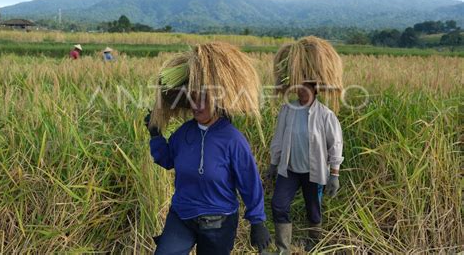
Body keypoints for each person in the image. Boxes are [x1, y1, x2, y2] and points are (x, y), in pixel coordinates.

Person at [145, 93, 271, 254]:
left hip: (218, 223)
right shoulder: (185, 132)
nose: (196, 105)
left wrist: (257, 222)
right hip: (182, 214)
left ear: (217, 102)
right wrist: (156, 136)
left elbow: (249, 182)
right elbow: (168, 160)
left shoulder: (233, 139)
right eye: (193, 99)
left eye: (203, 100)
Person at [266, 81, 343, 253]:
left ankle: (313, 244)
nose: (301, 91)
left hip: (313, 173)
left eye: (305, 87)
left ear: (315, 90)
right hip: (290, 170)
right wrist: (273, 164)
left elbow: (335, 145)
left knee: (313, 211)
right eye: (298, 87)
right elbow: (278, 138)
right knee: (278, 204)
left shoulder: (325, 114)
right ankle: (283, 249)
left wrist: (334, 174)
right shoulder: (288, 110)